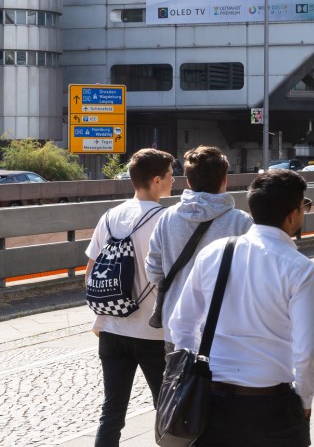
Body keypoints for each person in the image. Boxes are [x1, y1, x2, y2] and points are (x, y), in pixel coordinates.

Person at [170, 169, 314, 446]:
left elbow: (181, 323)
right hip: (271, 404)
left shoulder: (214, 252)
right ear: (292, 216)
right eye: (304, 206)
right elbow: (308, 349)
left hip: (213, 401)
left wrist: (194, 374)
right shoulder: (300, 268)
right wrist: (305, 398)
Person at [84, 149, 174, 447]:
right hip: (152, 331)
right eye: (171, 175)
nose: (175, 180)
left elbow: (90, 272)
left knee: (112, 411)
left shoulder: (110, 216)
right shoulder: (166, 220)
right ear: (157, 180)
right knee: (168, 408)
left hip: (111, 328)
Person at [145, 145, 252, 348]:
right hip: (226, 332)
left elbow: (153, 272)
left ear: (188, 181)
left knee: (180, 380)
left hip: (177, 330)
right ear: (224, 180)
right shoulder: (241, 222)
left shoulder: (167, 217)